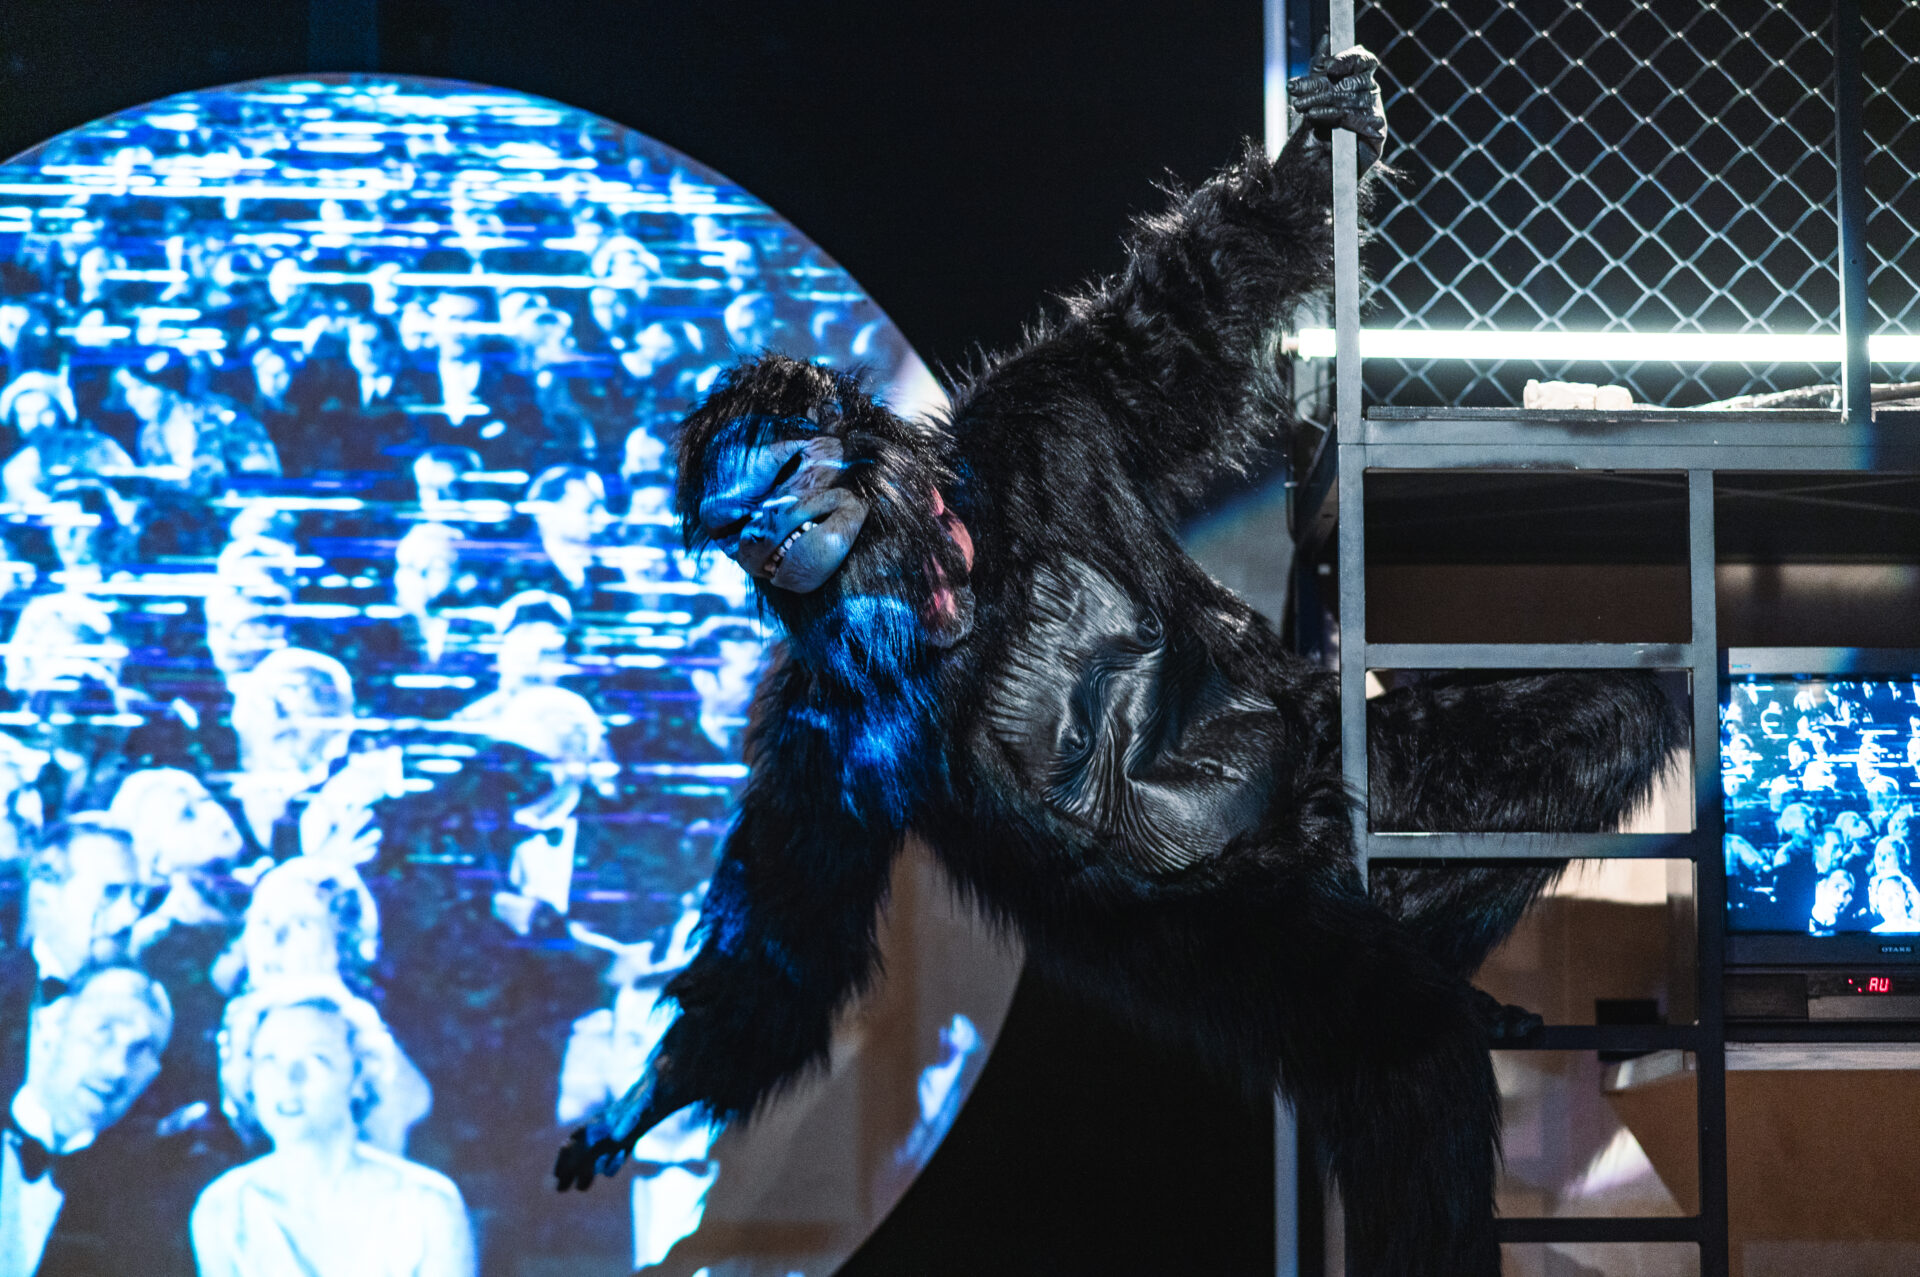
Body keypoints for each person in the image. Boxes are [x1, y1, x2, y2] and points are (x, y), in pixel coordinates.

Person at [193, 984, 474, 1277]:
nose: (288, 1079)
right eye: (269, 1059)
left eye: (317, 1058)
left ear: (359, 1075)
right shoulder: (224, 1209)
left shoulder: (427, 1207)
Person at [1, 966, 174, 1277]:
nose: (117, 1069)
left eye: (141, 1050)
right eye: (104, 1031)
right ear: (52, 1024)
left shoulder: (139, 1205)